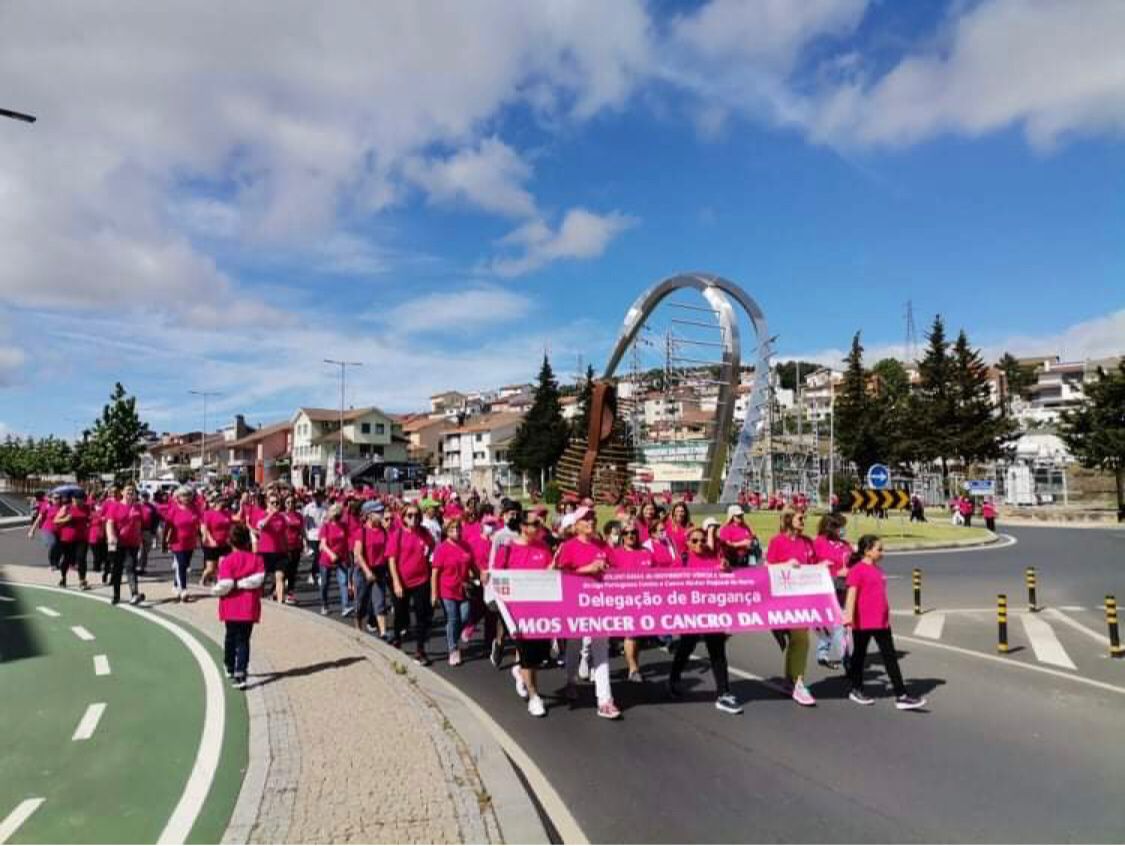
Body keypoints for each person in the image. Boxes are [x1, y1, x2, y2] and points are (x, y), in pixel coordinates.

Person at [666, 525, 743, 714]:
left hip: (712, 613)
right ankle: (674, 678)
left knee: (717, 652)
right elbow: (667, 584)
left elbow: (727, 581)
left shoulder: (713, 558)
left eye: (702, 540)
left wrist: (726, 569)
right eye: (694, 541)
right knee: (686, 647)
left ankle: (723, 693)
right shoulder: (681, 561)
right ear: (687, 543)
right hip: (690, 614)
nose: (699, 543)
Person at [843, 535, 926, 710]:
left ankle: (901, 695)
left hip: (881, 622)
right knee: (859, 656)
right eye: (879, 549)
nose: (882, 552)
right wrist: (848, 616)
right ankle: (856, 689)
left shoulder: (878, 570)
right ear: (867, 550)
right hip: (863, 621)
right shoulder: (857, 570)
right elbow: (851, 595)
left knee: (890, 658)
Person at [554, 506, 621, 720]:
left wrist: (607, 569)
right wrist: (587, 569)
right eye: (586, 519)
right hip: (575, 604)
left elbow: (617, 569)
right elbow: (560, 574)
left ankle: (605, 700)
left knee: (600, 649)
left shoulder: (603, 545)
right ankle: (571, 681)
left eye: (593, 518)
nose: (591, 522)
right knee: (574, 645)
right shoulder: (569, 546)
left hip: (599, 605)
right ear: (576, 525)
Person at [495, 510, 554, 717]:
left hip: (541, 611)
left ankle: (520, 671)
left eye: (539, 524)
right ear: (522, 526)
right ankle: (534, 696)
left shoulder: (543, 547)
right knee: (528, 655)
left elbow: (551, 573)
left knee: (539, 656)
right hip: (518, 613)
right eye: (533, 524)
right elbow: (497, 577)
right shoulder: (508, 549)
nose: (538, 528)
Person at [764, 508, 817, 706]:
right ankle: (798, 682)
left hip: (803, 599)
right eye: (800, 518)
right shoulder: (777, 541)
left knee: (799, 639)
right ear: (788, 520)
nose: (804, 520)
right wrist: (786, 564)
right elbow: (767, 567)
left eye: (804, 517)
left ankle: (792, 680)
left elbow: (814, 565)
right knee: (800, 639)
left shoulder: (807, 542)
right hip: (784, 599)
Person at [212, 523, 266, 690]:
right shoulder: (257, 559)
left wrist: (215, 590)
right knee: (243, 640)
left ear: (230, 541)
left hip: (231, 605)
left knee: (230, 636)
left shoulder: (227, 561)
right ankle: (241, 672)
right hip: (248, 606)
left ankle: (229, 664)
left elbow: (225, 584)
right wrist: (243, 583)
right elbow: (259, 579)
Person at [388, 503, 436, 665]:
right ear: (403, 517)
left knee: (422, 616)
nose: (413, 518)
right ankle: (397, 639)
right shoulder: (398, 534)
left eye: (416, 515)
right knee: (401, 614)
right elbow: (392, 560)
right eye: (410, 515)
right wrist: (396, 582)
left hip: (421, 580)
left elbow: (431, 547)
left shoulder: (425, 533)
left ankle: (420, 649)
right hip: (402, 580)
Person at [611, 520, 654, 683]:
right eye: (627, 533)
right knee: (631, 634)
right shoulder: (616, 554)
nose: (631, 536)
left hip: (644, 600)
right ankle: (633, 668)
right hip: (624, 600)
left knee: (637, 637)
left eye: (633, 533)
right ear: (622, 536)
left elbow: (658, 575)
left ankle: (634, 663)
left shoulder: (646, 552)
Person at [431, 519, 475, 667]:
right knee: (453, 619)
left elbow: (472, 564)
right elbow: (435, 573)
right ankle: (453, 649)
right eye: (452, 529)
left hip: (463, 588)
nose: (456, 531)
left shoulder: (466, 546)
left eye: (458, 528)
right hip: (447, 589)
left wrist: (480, 575)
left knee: (465, 616)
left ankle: (453, 637)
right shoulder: (441, 549)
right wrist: (434, 593)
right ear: (446, 531)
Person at [812, 513, 852, 670]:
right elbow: (811, 567)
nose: (842, 530)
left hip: (843, 588)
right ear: (831, 527)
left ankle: (824, 653)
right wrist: (834, 573)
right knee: (835, 625)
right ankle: (846, 659)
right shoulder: (818, 543)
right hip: (825, 589)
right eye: (839, 526)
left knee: (838, 624)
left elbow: (852, 563)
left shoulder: (845, 545)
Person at [353, 500, 392, 639]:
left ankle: (383, 632)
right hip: (363, 571)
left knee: (380, 601)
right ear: (369, 515)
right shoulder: (361, 532)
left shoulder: (384, 532)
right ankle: (358, 628)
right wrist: (367, 571)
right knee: (361, 603)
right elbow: (358, 554)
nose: (381, 515)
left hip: (379, 570)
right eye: (378, 512)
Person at [105, 484, 146, 606]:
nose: (130, 492)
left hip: (132, 543)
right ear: (122, 492)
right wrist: (111, 536)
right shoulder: (115, 506)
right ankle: (116, 595)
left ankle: (134, 594)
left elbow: (139, 524)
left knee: (131, 567)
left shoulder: (138, 507)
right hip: (117, 542)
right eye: (128, 490)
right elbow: (109, 523)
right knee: (116, 569)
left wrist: (141, 539)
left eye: (132, 491)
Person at [164, 486, 202, 602]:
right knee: (181, 564)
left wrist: (201, 537)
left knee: (185, 565)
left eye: (188, 495)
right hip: (177, 542)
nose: (186, 498)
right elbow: (168, 525)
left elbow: (200, 523)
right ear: (178, 497)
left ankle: (176, 585)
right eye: (184, 495)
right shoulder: (174, 510)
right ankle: (184, 589)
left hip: (190, 542)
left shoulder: (194, 509)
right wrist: (165, 541)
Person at [317, 503, 352, 615]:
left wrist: (348, 557)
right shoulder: (326, 526)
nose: (338, 515)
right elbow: (323, 544)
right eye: (336, 513)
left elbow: (346, 542)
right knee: (325, 583)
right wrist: (331, 554)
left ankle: (345, 606)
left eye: (339, 513)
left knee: (343, 581)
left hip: (341, 558)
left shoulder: (344, 526)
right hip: (327, 559)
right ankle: (324, 604)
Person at [53, 492, 90, 589]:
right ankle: (63, 578)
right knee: (67, 559)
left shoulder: (86, 508)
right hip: (67, 538)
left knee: (81, 558)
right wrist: (66, 519)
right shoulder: (66, 508)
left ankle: (82, 580)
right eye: (79, 499)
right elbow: (56, 520)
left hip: (82, 538)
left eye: (82, 499)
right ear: (73, 499)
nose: (81, 501)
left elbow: (90, 518)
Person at [201, 493, 233, 587]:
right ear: (216, 502)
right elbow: (206, 529)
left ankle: (220, 584)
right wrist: (211, 540)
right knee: (210, 568)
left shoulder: (227, 513)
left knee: (222, 565)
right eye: (221, 501)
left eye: (224, 501)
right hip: (211, 544)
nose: (224, 503)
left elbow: (231, 524)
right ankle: (203, 579)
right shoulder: (209, 513)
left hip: (224, 544)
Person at [302, 490, 327, 587]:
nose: (317, 498)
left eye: (319, 496)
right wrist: (304, 536)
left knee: (320, 555)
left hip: (322, 535)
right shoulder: (308, 507)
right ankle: (315, 574)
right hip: (312, 535)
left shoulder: (326, 507)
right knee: (317, 555)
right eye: (316, 496)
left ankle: (314, 574)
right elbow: (304, 521)